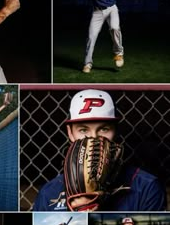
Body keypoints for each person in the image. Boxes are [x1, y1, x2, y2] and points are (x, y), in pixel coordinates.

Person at [33, 89, 166, 211]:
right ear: (70, 133)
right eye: (83, 130)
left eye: (104, 129)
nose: (94, 139)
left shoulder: (146, 187)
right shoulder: (49, 192)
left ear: (116, 132)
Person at [78, 0, 124, 73]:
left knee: (114, 27)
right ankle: (87, 63)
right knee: (91, 37)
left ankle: (118, 53)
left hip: (111, 9)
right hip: (97, 11)